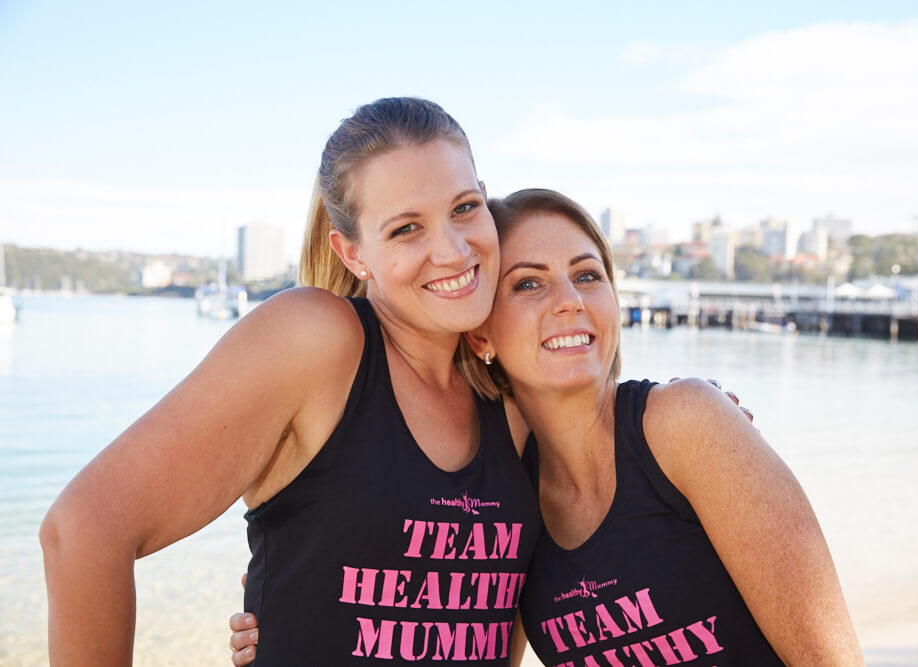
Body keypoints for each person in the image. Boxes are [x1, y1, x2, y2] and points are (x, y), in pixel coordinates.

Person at [232, 189, 863, 666]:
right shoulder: (507, 505)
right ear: (479, 331)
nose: (570, 300)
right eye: (529, 283)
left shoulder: (685, 425)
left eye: (588, 275)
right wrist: (292, 619)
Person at [40, 97, 542, 666]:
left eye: (464, 207)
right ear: (353, 254)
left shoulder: (510, 398)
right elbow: (81, 529)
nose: (451, 249)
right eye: (406, 228)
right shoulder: (317, 341)